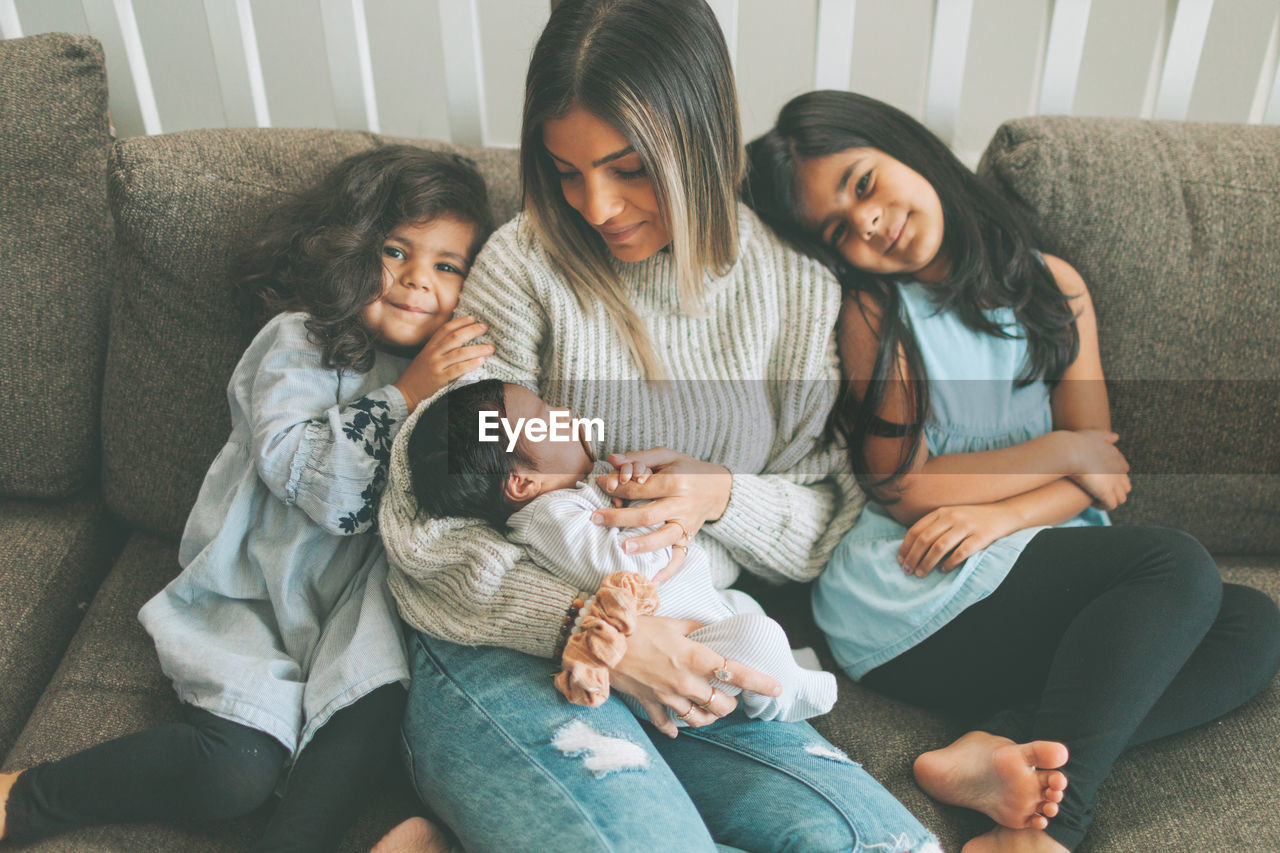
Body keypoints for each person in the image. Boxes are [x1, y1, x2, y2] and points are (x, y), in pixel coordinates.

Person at [377, 2, 941, 851]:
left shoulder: (795, 295)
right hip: (508, 642)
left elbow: (829, 511)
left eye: (628, 167)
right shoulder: (525, 265)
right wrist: (592, 629)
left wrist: (719, 496)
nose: (596, 205)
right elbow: (422, 516)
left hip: (697, 649)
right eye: (566, 171)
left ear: (703, 139)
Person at [744, 89, 1280, 853]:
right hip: (915, 588)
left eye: (863, 184)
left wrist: (1003, 512)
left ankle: (996, 742)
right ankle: (1047, 829)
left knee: (1251, 625)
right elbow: (904, 486)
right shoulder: (878, 314)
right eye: (838, 228)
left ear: (909, 148)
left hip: (1013, 558)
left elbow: (1108, 471)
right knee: (1175, 564)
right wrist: (1062, 453)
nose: (866, 221)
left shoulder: (1056, 288)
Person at [0, 146, 495, 853]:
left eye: (449, 265)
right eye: (396, 251)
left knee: (366, 726)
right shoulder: (300, 342)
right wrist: (408, 391)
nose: (419, 280)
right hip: (256, 602)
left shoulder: (451, 372)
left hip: (361, 619)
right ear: (350, 245)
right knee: (235, 774)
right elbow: (315, 481)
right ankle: (31, 796)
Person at [405, 379, 838, 721]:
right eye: (541, 420)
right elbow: (629, 565)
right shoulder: (550, 518)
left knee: (743, 606)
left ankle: (779, 671)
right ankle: (783, 697)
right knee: (759, 636)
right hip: (677, 660)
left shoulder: (575, 495)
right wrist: (642, 505)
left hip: (701, 615)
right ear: (521, 483)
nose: (561, 413)